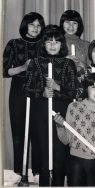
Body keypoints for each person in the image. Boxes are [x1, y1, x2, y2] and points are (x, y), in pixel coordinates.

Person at [24, 25, 78, 186]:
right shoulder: (35, 62)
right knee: (44, 152)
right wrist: (42, 92)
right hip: (40, 113)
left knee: (60, 151)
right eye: (49, 42)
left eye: (56, 42)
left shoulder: (69, 64)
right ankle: (45, 184)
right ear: (43, 44)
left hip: (62, 112)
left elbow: (74, 91)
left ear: (62, 44)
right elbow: (26, 88)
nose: (53, 45)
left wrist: (57, 87)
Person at [3, 12, 45, 180]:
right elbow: (4, 70)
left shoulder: (45, 44)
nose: (35, 28)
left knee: (39, 131)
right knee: (19, 130)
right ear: (25, 26)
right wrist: (22, 68)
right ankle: (21, 173)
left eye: (38, 25)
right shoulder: (13, 44)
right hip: (19, 90)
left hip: (40, 91)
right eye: (32, 24)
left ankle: (37, 172)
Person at [59, 10, 90, 98]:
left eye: (74, 23)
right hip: (60, 87)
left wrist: (81, 64)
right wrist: (64, 60)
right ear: (62, 24)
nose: (71, 26)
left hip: (81, 87)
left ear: (79, 25)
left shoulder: (87, 45)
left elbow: (92, 70)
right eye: (67, 22)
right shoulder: (56, 42)